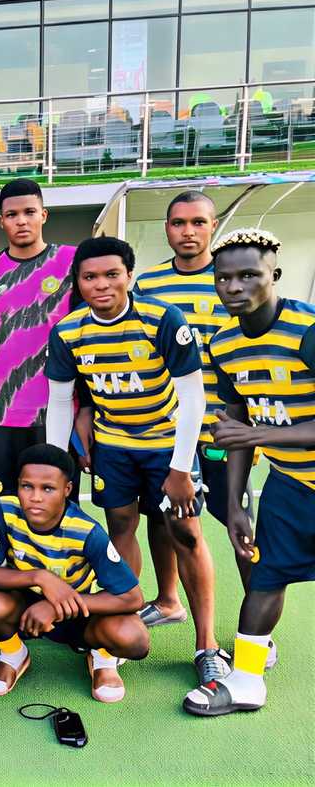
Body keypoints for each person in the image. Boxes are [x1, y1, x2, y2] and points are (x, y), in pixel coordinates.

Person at [44, 237, 227, 688]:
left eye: (111, 274)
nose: (101, 284)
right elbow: (61, 401)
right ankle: (125, 625)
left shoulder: (163, 318)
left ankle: (207, 647)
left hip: (167, 446)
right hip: (113, 448)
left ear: (130, 275)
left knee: (185, 533)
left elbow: (192, 395)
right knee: (121, 528)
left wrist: (181, 468)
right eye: (89, 277)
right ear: (78, 282)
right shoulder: (68, 331)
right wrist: (55, 468)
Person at [185, 227, 310, 716]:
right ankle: (246, 684)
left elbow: (247, 434)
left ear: (274, 276)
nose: (233, 287)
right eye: (223, 278)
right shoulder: (222, 344)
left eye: (248, 276)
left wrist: (258, 437)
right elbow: (234, 422)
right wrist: (235, 503)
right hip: (291, 481)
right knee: (265, 579)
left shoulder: (308, 332)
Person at [132, 191, 251, 627]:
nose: (188, 231)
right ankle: (168, 601)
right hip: (167, 428)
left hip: (223, 428)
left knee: (237, 523)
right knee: (163, 519)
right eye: (179, 223)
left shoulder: (234, 280)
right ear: (167, 228)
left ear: (213, 225)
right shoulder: (147, 285)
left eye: (198, 222)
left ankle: (255, 623)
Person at [0, 444, 150, 703]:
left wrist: (55, 607)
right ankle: (12, 654)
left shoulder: (87, 531)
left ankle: (102, 656)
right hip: (25, 608)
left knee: (134, 637)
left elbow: (132, 598)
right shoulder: (4, 510)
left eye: (48, 488)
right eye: (26, 486)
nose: (35, 497)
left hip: (79, 612)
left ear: (67, 489)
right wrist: (40, 577)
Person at [0, 179, 80, 500]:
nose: (21, 220)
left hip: (57, 410)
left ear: (44, 215)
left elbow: (88, 338)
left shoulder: (71, 263)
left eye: (29, 212)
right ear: (0, 221)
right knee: (6, 508)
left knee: (58, 510)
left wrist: (88, 411)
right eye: (12, 214)